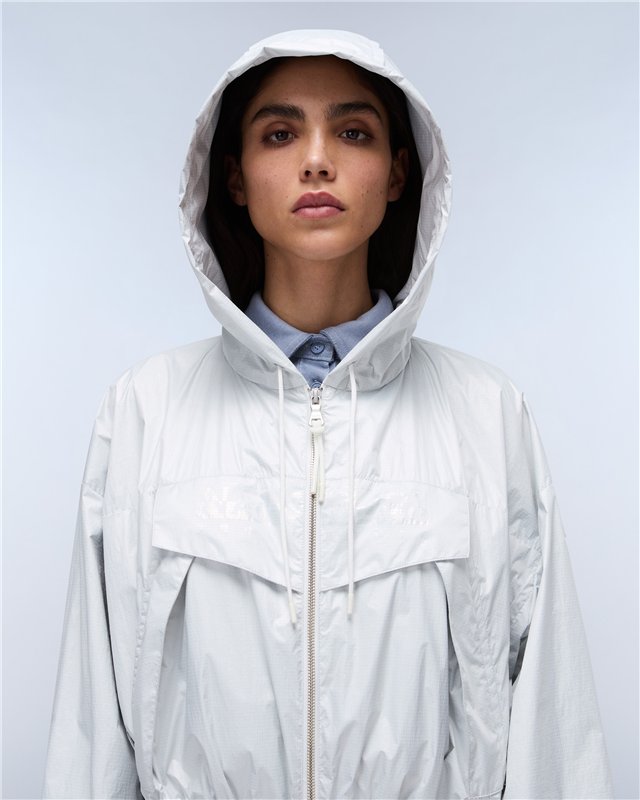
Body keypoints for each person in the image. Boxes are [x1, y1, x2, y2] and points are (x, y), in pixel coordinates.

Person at [43, 29, 613, 800]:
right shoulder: (146, 409)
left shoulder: (486, 414)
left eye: (353, 132)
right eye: (280, 134)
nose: (317, 159)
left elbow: (551, 714)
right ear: (234, 176)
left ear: (399, 172)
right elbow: (93, 723)